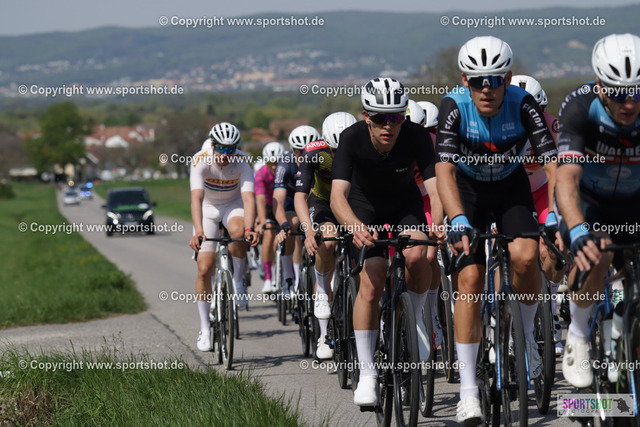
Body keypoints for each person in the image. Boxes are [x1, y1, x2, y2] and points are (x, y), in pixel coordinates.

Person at [435, 36, 558, 424]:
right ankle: (468, 392)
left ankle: (527, 340)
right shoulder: (454, 106)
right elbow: (444, 171)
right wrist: (456, 218)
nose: (486, 89)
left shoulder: (523, 103)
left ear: (507, 78)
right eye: (477, 81)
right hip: (468, 193)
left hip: (509, 188)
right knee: (470, 280)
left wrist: (555, 213)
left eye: (494, 80)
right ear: (465, 80)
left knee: (526, 256)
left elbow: (552, 163)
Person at [331, 77, 439, 406]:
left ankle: (415, 320)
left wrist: (438, 223)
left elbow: (435, 187)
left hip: (404, 204)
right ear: (366, 116)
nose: (388, 126)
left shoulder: (417, 136)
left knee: (419, 255)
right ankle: (367, 374)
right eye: (380, 118)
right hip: (364, 207)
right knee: (372, 279)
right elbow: (337, 196)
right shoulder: (351, 138)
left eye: (396, 117)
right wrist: (354, 227)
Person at [556, 33, 640, 389]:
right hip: (588, 200)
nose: (629, 103)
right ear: (601, 86)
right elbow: (566, 178)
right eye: (619, 94)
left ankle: (623, 328)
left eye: (637, 92)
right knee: (600, 252)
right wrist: (576, 229)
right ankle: (576, 335)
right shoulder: (580, 107)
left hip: (633, 201)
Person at [189, 122, 259, 352]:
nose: (225, 154)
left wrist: (250, 229)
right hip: (207, 209)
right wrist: (198, 230)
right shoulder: (200, 160)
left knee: (239, 233)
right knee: (204, 269)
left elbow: (248, 199)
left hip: (233, 206)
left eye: (230, 149)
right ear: (212, 145)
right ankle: (205, 328)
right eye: (221, 148)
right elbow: (196, 199)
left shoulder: (244, 161)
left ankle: (238, 279)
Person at [511, 74, 566, 355]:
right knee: (509, 251)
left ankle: (550, 308)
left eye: (537, 111)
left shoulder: (553, 126)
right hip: (512, 194)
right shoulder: (500, 129)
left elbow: (563, 170)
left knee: (553, 249)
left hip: (544, 192)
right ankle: (503, 316)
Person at [295, 112, 357, 360]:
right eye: (334, 151)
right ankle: (322, 290)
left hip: (352, 204)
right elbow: (300, 196)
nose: (339, 156)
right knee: (328, 240)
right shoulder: (314, 152)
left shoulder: (363, 146)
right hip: (323, 203)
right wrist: (308, 229)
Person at [273, 126, 320, 297]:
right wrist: (283, 224)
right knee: (291, 225)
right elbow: (278, 199)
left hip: (313, 201)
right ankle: (288, 277)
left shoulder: (323, 160)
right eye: (300, 151)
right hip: (291, 202)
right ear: (293, 150)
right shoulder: (285, 163)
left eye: (308, 151)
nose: (304, 155)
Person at [255, 142, 284, 294]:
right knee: (268, 235)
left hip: (283, 204)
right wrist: (262, 221)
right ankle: (267, 278)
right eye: (270, 163)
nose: (274, 166)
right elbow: (259, 200)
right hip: (267, 205)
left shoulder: (286, 170)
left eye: (277, 162)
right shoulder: (261, 174)